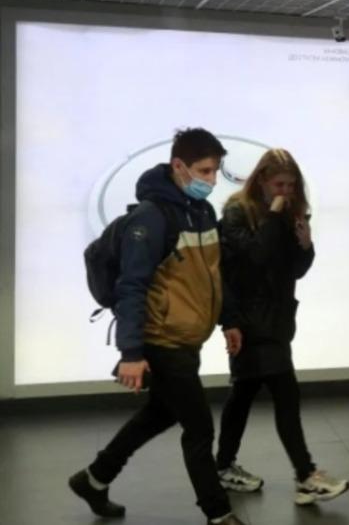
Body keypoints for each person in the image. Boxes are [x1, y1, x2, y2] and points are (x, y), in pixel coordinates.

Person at [69, 128, 247, 525]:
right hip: (161, 339)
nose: (211, 180)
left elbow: (211, 275)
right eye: (204, 171)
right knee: (199, 428)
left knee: (161, 413)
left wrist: (229, 319)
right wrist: (131, 353)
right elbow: (130, 287)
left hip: (186, 336)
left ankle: (94, 479)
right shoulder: (150, 218)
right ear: (178, 166)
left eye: (215, 171)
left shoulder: (202, 211)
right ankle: (219, 514)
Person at [215, 148, 349, 505]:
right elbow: (254, 257)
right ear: (262, 179)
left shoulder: (289, 213)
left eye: (291, 185)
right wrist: (275, 216)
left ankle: (224, 466)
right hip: (249, 320)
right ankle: (306, 475)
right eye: (280, 184)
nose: (286, 192)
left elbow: (293, 270)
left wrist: (306, 246)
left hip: (276, 319)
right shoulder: (237, 211)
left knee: (243, 395)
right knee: (284, 395)